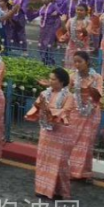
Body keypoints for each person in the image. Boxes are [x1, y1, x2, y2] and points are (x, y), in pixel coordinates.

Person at [27, 68, 76, 199]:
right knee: (44, 159)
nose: (50, 81)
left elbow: (65, 112)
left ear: (62, 82)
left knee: (59, 163)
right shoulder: (44, 93)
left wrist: (49, 111)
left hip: (61, 133)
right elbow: (36, 108)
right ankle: (42, 189)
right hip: (46, 132)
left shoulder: (69, 96)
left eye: (53, 79)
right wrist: (40, 107)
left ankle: (59, 191)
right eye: (50, 78)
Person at [66, 51, 104, 181]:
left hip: (91, 113)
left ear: (87, 62)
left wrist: (91, 91)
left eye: (79, 61)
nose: (76, 64)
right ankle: (72, 171)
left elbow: (98, 97)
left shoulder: (96, 77)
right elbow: (65, 91)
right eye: (75, 61)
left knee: (87, 144)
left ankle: (85, 172)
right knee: (73, 141)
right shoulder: (72, 76)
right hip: (75, 112)